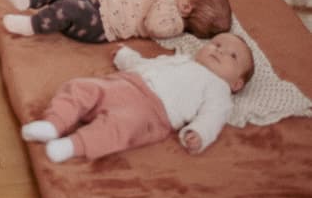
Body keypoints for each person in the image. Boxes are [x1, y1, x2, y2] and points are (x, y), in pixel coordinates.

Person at [21, 31, 254, 163]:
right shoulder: (184, 59)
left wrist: (200, 133)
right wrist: (125, 56)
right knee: (81, 87)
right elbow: (146, 65)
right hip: (126, 83)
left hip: (153, 112)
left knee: (120, 127)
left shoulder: (219, 90)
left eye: (232, 56)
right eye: (217, 44)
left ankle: (73, 145)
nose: (220, 51)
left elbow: (213, 116)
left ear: (237, 84)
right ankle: (53, 123)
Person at [0, 0, 231, 42]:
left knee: (71, 7)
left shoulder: (174, 23)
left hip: (100, 23)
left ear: (187, 7)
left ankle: (32, 25)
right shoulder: (170, 0)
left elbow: (152, 26)